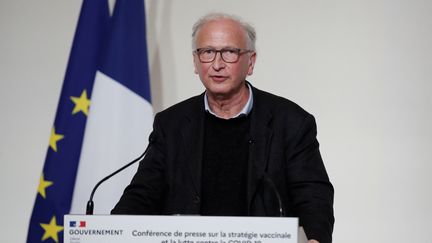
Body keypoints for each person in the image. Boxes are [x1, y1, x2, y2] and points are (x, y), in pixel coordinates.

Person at [112, 13, 334, 243]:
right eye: (207, 52)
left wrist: (316, 238)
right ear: (195, 62)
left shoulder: (290, 122)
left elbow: (314, 196)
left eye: (229, 52)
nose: (217, 64)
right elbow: (142, 195)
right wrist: (111, 233)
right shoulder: (171, 124)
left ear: (251, 62)